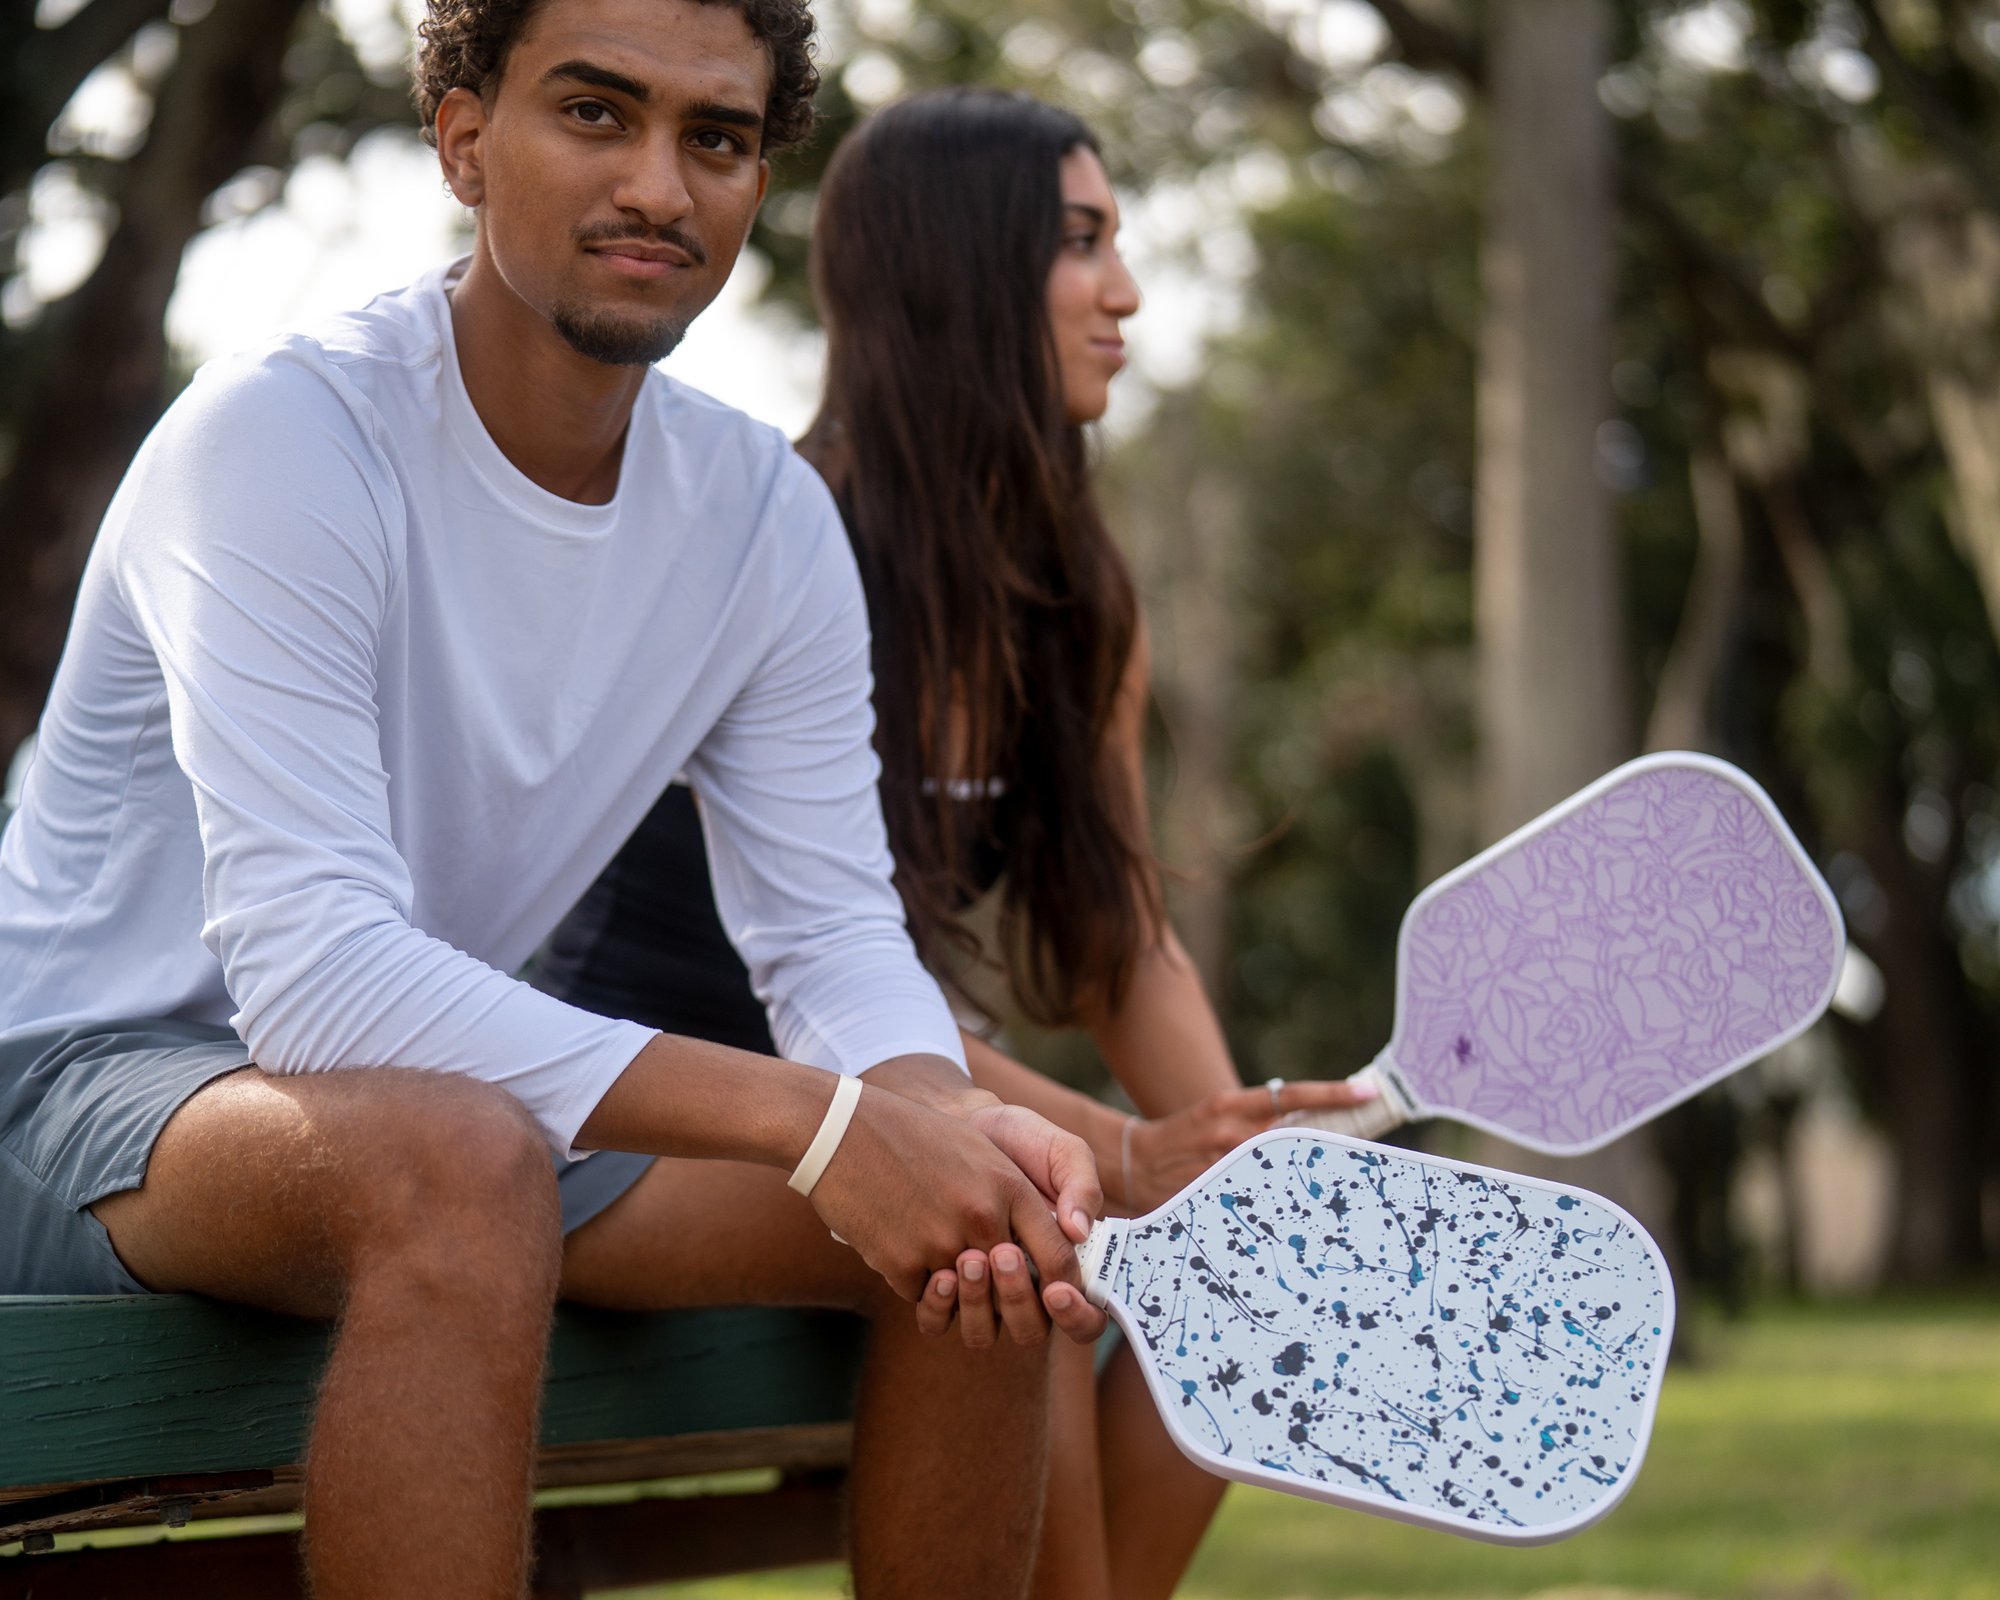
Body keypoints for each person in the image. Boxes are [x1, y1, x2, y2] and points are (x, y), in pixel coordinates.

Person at [0, 5, 1113, 1597]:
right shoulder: (283, 438)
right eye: (597, 114)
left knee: (977, 1215)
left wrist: (933, 1120)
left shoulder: (759, 518)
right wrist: (827, 1121)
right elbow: (318, 978)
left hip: (422, 1100)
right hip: (67, 1088)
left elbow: (835, 939)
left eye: (715, 140)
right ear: (464, 137)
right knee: (464, 1161)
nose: (659, 185)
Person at [535, 89, 1375, 1600]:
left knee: (1261, 1275)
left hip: (890, 1126)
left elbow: (1121, 933)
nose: (1125, 292)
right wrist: (1115, 1152)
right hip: (658, 1116)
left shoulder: (1076, 595)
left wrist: (1242, 1159)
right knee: (1024, 1234)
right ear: (957, 272)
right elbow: (814, 973)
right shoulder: (790, 544)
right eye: (1079, 243)